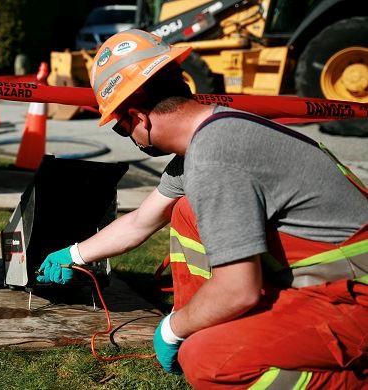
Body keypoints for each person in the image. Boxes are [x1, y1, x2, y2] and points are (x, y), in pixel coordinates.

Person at [37, 29, 368, 389]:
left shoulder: (215, 157)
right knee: (184, 211)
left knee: (209, 361)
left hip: (353, 300)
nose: (129, 137)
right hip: (329, 280)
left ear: (139, 117)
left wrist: (172, 329)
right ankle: (212, 326)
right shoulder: (217, 132)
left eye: (122, 128)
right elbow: (141, 222)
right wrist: (74, 254)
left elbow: (239, 289)